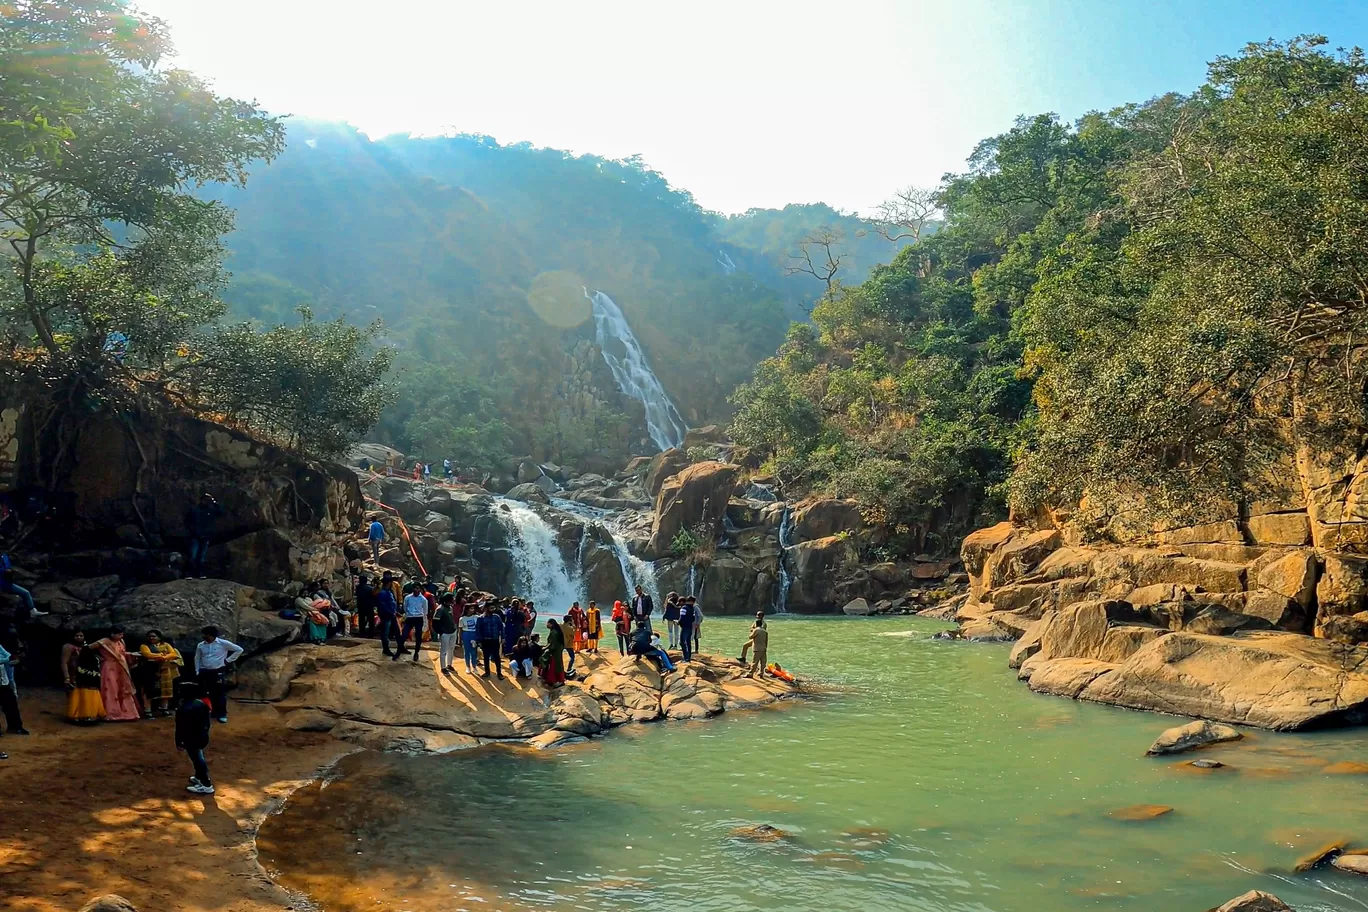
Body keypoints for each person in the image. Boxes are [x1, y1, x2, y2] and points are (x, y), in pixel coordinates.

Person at [194, 625, 243, 723]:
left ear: (211, 635)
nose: (204, 637)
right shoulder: (201, 645)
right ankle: (211, 711)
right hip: (204, 671)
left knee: (219, 693)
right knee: (205, 692)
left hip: (217, 671)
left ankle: (222, 713)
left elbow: (239, 649)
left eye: (205, 635)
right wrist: (197, 670)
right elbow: (197, 657)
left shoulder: (223, 643)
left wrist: (228, 660)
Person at [92, 627, 141, 722]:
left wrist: (132, 654)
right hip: (109, 667)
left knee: (123, 688)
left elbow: (122, 653)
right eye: (119, 634)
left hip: (121, 667)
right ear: (111, 634)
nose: (121, 636)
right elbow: (88, 649)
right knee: (110, 688)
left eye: (122, 634)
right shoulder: (103, 641)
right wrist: (99, 658)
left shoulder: (121, 641)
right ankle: (111, 713)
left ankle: (127, 713)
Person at [175, 681, 215, 795]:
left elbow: (180, 728)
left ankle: (206, 784)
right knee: (199, 757)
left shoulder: (183, 708)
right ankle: (198, 777)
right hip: (202, 737)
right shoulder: (201, 704)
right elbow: (207, 724)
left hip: (191, 740)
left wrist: (179, 742)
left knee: (198, 760)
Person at [138, 630, 183, 717]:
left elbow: (173, 654)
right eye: (150, 636)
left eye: (154, 636)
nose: (151, 638)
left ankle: (164, 708)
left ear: (159, 637)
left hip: (165, 670)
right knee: (149, 690)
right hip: (151, 671)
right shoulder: (144, 646)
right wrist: (161, 656)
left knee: (166, 690)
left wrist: (164, 657)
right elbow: (147, 654)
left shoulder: (166, 644)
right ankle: (148, 710)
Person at [66, 640, 104, 725]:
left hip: (91, 680)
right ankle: (84, 715)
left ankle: (87, 715)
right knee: (84, 696)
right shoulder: (85, 654)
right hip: (84, 680)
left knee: (87, 696)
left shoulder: (94, 657)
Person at [186, 493, 221, 579]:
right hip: (196, 536)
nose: (205, 502)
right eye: (204, 500)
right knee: (193, 556)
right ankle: (189, 574)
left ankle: (200, 574)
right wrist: (194, 532)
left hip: (205, 537)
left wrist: (214, 501)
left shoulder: (210, 511)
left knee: (202, 557)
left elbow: (221, 512)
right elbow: (188, 522)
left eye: (207, 500)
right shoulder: (194, 510)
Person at [0, 553, 44, 618]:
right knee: (26, 593)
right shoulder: (3, 557)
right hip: (4, 584)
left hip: (7, 583)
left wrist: (7, 571)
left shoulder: (4, 556)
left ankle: (33, 611)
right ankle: (32, 612)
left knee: (26, 593)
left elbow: (7, 568)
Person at [0, 638, 27, 739]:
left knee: (11, 704)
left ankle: (15, 727)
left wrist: (13, 659)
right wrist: (9, 659)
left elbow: (8, 656)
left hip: (3, 681)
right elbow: (8, 658)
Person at [397, 585, 428, 662]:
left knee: (418, 637)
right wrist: (408, 614)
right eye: (415, 587)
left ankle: (416, 653)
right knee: (404, 634)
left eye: (417, 588)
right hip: (410, 617)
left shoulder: (423, 599)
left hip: (419, 618)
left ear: (420, 590)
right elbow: (405, 607)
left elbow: (425, 611)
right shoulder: (408, 598)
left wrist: (424, 621)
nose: (416, 589)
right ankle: (399, 650)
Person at [475, 602, 505, 678]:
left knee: (497, 657)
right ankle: (487, 672)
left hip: (495, 640)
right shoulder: (481, 618)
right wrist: (479, 641)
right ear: (486, 608)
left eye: (493, 608)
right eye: (491, 608)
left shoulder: (497, 617)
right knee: (486, 657)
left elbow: (501, 628)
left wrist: (503, 638)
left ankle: (499, 673)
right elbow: (478, 630)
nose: (493, 610)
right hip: (485, 640)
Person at [433, 593, 459, 674]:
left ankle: (449, 665)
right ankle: (443, 667)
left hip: (452, 631)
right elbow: (435, 622)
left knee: (451, 649)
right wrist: (440, 632)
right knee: (443, 651)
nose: (454, 599)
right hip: (445, 633)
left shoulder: (450, 607)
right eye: (452, 598)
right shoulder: (440, 609)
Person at [739, 611, 769, 678]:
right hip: (756, 639)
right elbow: (752, 628)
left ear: (761, 616)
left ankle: (752, 673)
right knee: (745, 645)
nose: (757, 616)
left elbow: (757, 631)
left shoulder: (764, 624)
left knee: (756, 658)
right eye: (757, 615)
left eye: (758, 615)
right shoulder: (756, 621)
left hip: (758, 639)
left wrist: (754, 630)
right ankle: (743, 658)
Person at [375, 576, 399, 657]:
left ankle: (400, 647)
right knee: (385, 633)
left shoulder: (389, 592)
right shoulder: (383, 593)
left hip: (392, 614)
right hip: (387, 615)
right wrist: (390, 612)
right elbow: (382, 605)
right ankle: (386, 649)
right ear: (389, 583)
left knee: (397, 632)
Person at [540, 619, 567, 687]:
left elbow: (552, 644)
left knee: (553, 666)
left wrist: (546, 649)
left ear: (551, 624)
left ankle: (555, 681)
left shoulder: (553, 633)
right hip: (558, 652)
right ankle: (559, 680)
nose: (547, 625)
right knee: (558, 665)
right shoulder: (556, 631)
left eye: (548, 623)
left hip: (554, 652)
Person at [459, 603, 480, 674]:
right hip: (466, 634)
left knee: (473, 651)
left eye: (473, 608)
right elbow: (460, 630)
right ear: (467, 609)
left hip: (474, 635)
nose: (472, 610)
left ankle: (474, 666)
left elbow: (478, 628)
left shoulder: (476, 617)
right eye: (471, 608)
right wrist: (460, 639)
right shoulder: (462, 619)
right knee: (466, 651)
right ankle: (468, 666)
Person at [678, 596, 698, 662]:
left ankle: (686, 658)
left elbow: (682, 618)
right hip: (690, 627)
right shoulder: (692, 609)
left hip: (684, 627)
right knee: (688, 642)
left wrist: (678, 622)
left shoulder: (684, 608)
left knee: (682, 642)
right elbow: (693, 619)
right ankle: (688, 658)